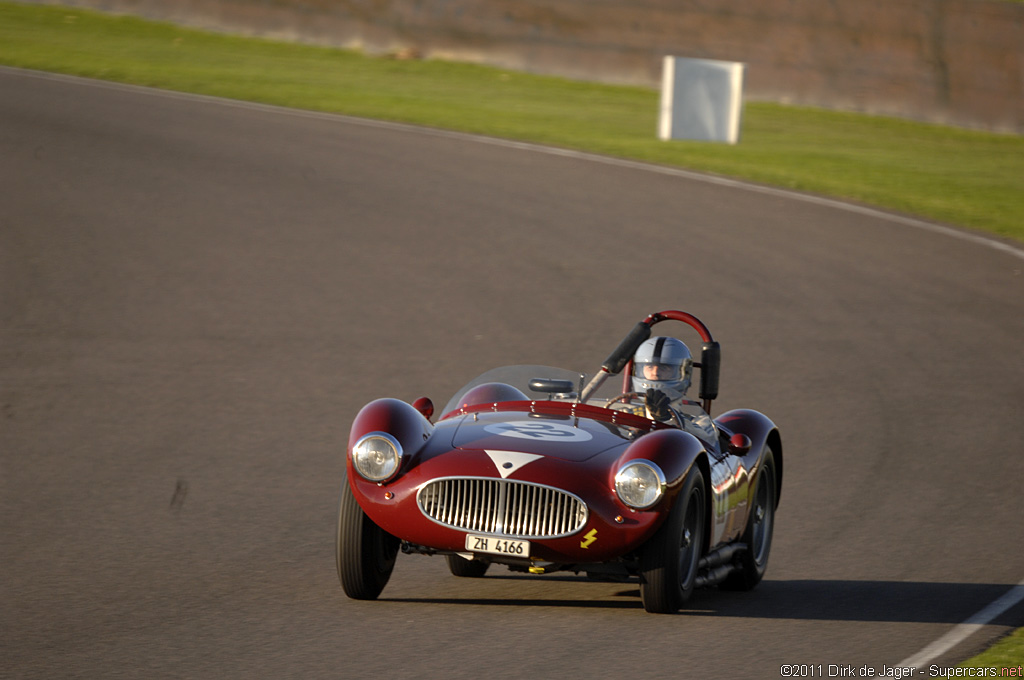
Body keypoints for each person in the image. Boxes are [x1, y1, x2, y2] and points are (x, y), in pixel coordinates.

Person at [631, 337, 717, 441]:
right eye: (649, 367)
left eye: (664, 368)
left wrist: (666, 420)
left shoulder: (701, 424)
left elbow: (708, 440)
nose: (655, 373)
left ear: (682, 374)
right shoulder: (623, 414)